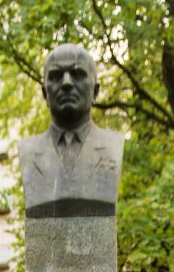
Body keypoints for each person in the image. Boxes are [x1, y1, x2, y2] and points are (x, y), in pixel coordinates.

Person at [18, 43, 125, 219]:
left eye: (77, 74)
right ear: (45, 93)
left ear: (95, 91)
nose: (66, 83)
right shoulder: (28, 151)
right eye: (56, 76)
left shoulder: (113, 148)